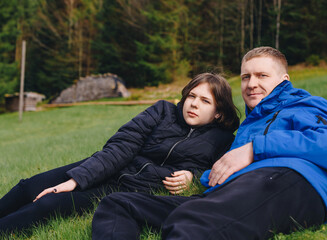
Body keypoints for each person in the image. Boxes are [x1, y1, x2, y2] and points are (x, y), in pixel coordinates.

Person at [92, 47, 327, 240]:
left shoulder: (305, 105)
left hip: (290, 181)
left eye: (262, 75)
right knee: (118, 204)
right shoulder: (248, 126)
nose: (251, 84)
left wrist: (254, 149)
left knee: (189, 224)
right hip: (231, 192)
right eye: (245, 77)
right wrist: (195, 176)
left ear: (283, 80)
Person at [0, 73, 240, 234]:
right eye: (191, 96)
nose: (194, 104)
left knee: (47, 204)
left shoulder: (222, 140)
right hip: (111, 165)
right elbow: (120, 147)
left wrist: (192, 175)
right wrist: (74, 180)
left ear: (218, 112)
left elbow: (213, 172)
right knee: (29, 186)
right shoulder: (162, 111)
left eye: (205, 101)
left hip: (128, 189)